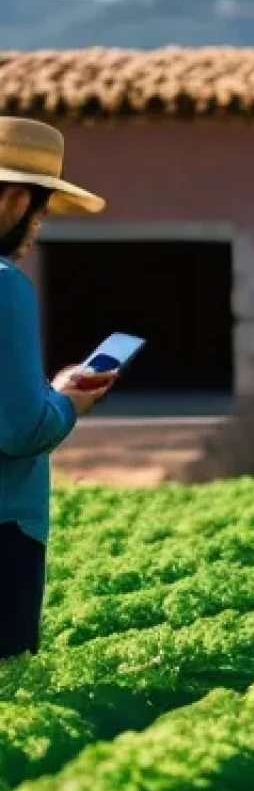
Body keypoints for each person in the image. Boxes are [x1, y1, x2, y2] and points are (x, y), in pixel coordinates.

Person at [0, 117, 114, 659]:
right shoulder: (4, 288)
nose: (37, 227)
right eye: (41, 211)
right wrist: (69, 402)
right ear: (16, 203)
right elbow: (22, 430)